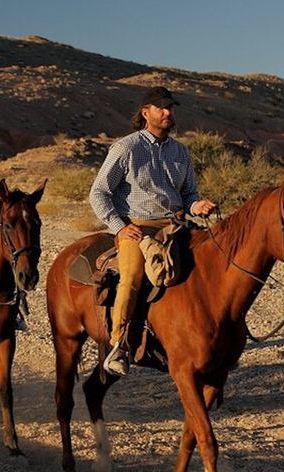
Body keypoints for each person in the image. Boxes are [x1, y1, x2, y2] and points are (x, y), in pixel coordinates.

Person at [89, 86, 216, 377]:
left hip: (175, 223)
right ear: (146, 113)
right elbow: (99, 193)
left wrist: (198, 206)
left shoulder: (180, 151)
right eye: (162, 108)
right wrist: (121, 228)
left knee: (209, 266)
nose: (168, 113)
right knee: (132, 277)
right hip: (138, 225)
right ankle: (119, 346)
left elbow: (188, 194)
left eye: (171, 108)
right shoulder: (126, 148)